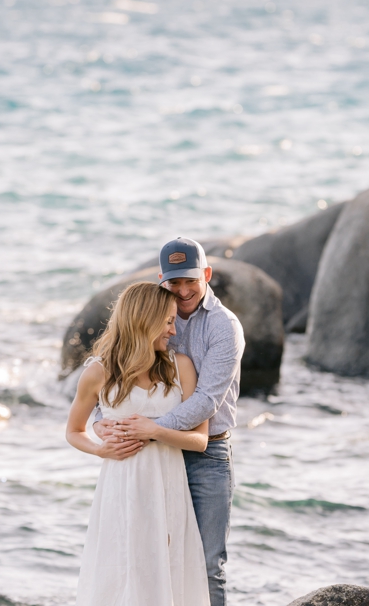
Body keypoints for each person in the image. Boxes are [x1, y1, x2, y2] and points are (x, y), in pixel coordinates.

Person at [96, 237, 245, 606]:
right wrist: (103, 423)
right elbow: (119, 372)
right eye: (174, 282)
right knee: (153, 559)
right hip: (153, 458)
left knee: (208, 564)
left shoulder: (224, 326)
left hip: (206, 454)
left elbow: (207, 401)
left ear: (206, 275)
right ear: (162, 279)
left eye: (190, 281)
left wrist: (151, 430)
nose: (182, 291)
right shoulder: (152, 318)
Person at [66, 281, 211, 605]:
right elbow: (74, 430)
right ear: (144, 319)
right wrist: (99, 448)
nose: (173, 331)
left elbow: (200, 440)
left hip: (168, 485)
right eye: (168, 321)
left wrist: (155, 430)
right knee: (125, 572)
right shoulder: (98, 372)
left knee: (169, 570)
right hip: (122, 486)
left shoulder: (181, 367)